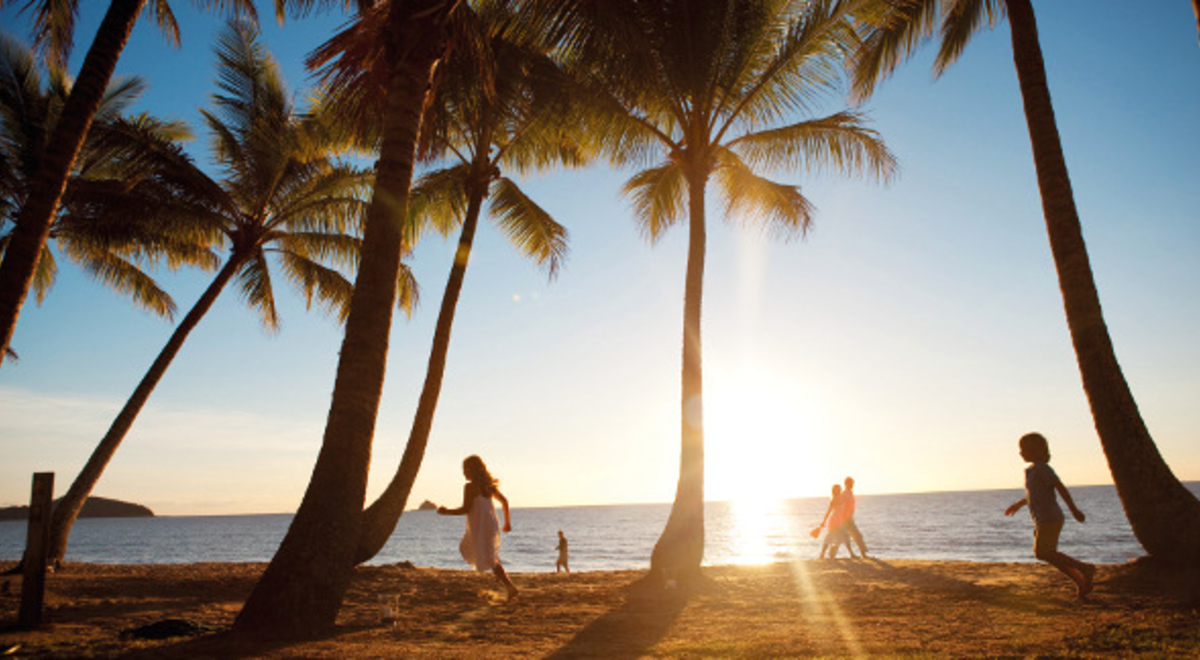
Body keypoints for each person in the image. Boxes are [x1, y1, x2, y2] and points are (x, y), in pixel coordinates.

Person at [1004, 432, 1096, 600]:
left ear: (1036, 451)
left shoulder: (1042, 468)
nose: (1021, 453)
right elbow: (1034, 494)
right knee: (1048, 554)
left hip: (1050, 518)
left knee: (1043, 553)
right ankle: (1081, 580)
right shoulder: (1031, 471)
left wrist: (1074, 510)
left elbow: (1060, 488)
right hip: (1041, 519)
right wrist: (1018, 504)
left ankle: (1085, 569)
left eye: (1024, 449)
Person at [438, 455, 519, 601]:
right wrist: (507, 523)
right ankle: (506, 584)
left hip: (482, 525)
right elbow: (504, 502)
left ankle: (510, 587)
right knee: (488, 555)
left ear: (473, 470)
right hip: (490, 524)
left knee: (489, 557)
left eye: (466, 470)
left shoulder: (470, 487)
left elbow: (465, 509)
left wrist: (446, 512)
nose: (464, 473)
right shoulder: (488, 485)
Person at [817, 484, 856, 559]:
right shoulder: (834, 500)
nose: (838, 490)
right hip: (834, 521)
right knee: (829, 537)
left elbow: (847, 507)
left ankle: (851, 554)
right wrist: (823, 522)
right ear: (834, 491)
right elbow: (828, 512)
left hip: (841, 521)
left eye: (839, 489)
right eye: (836, 489)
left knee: (845, 536)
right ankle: (822, 554)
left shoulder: (842, 498)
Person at [841, 476, 869, 558]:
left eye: (852, 484)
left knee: (857, 535)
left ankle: (863, 554)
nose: (852, 485)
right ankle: (856, 554)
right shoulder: (844, 494)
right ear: (846, 484)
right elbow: (842, 506)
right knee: (847, 536)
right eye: (850, 483)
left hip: (850, 518)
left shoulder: (850, 493)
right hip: (845, 519)